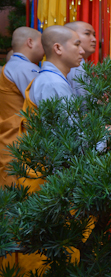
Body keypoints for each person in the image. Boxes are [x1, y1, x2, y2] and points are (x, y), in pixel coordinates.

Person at [0, 27, 44, 187]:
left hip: (10, 138)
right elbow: (42, 103)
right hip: (19, 139)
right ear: (30, 42)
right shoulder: (23, 68)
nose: (45, 47)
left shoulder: (13, 65)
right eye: (42, 42)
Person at [27, 26, 84, 108]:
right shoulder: (54, 83)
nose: (82, 51)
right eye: (77, 45)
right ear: (58, 48)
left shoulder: (52, 78)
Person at [65, 21, 97, 96]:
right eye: (87, 34)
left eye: (94, 35)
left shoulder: (79, 64)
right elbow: (84, 101)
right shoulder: (76, 66)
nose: (94, 39)